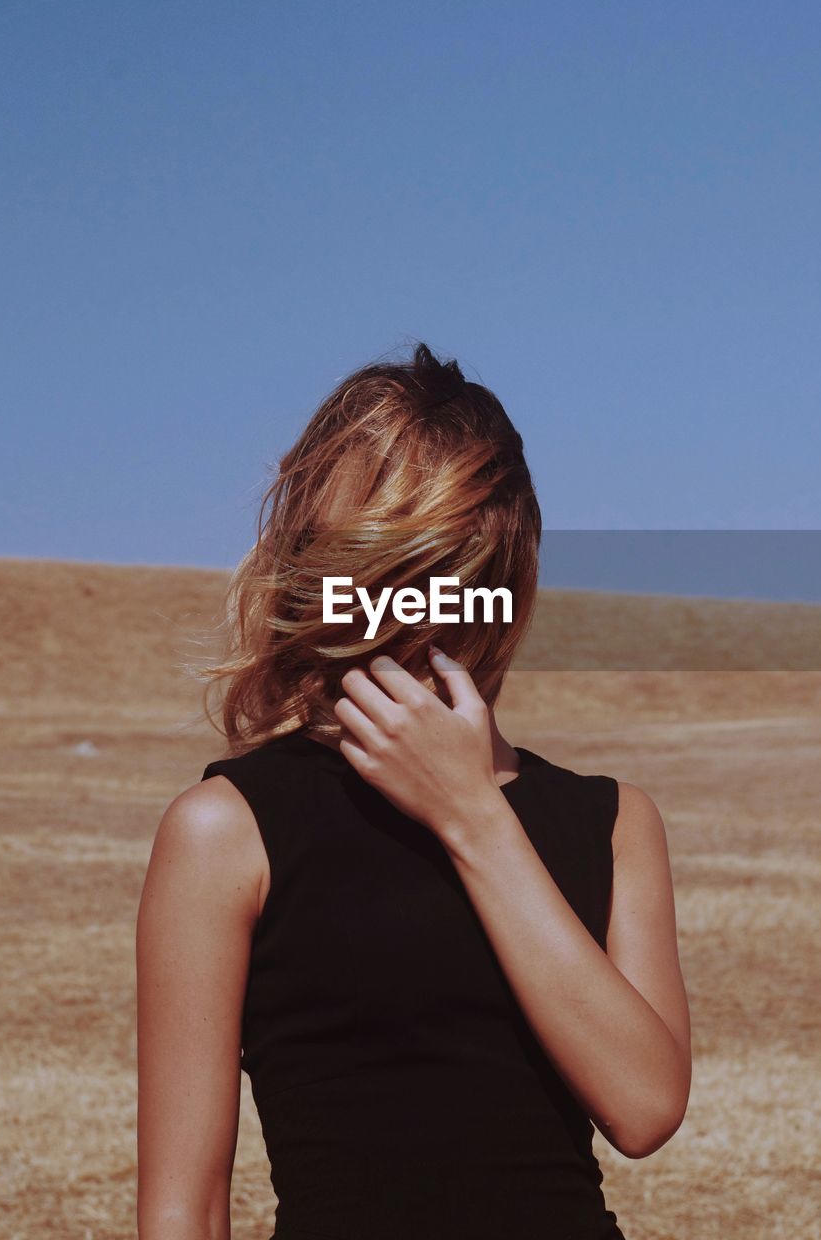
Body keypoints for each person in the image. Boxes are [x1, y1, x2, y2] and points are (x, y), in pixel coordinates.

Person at [136, 343, 692, 1240]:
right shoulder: (226, 831)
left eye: (452, 566)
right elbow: (182, 1209)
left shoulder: (613, 821)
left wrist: (474, 818)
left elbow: (644, 1107)